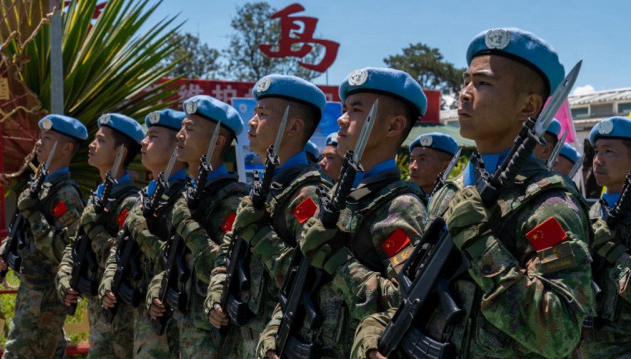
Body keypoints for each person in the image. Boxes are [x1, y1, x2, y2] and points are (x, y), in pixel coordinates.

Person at [352, 28, 595, 359]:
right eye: (466, 81)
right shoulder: (448, 192)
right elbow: (409, 291)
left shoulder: (549, 203)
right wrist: (371, 339)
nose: (465, 94)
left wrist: (481, 242)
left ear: (529, 105)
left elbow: (559, 334)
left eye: (483, 83)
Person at [256, 67, 429, 358]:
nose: (341, 118)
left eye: (356, 110)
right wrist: (273, 335)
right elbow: (299, 280)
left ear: (393, 126)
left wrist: (339, 262)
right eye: (345, 108)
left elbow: (407, 302)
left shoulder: (399, 206)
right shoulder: (342, 195)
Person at [205, 74, 332, 358]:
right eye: (254, 112)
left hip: (279, 343)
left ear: (295, 127)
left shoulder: (308, 193)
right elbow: (226, 256)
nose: (251, 121)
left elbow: (312, 276)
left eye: (262, 114)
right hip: (242, 340)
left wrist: (260, 233)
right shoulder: (261, 189)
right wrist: (216, 296)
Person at [145, 95, 248, 358]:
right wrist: (158, 287)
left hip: (214, 337)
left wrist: (187, 224)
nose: (180, 136)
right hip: (180, 329)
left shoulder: (232, 200)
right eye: (181, 128)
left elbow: (222, 265)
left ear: (218, 142)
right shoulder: (188, 195)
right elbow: (173, 256)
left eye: (189, 129)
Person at [0, 114, 87, 358]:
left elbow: (67, 249)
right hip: (31, 292)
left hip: (45, 294)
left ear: (66, 148)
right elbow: (19, 231)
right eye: (40, 137)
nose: (39, 143)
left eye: (47, 138)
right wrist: (3, 252)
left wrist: (34, 215)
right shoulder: (39, 184)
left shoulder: (65, 194)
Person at [100, 109, 187, 358]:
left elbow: (175, 259)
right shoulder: (145, 198)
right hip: (142, 322)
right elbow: (119, 248)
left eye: (154, 136)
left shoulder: (184, 200)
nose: (143, 143)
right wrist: (108, 283)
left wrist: (140, 229)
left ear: (176, 147)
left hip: (171, 324)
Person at [56, 113, 144, 358]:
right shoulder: (97, 198)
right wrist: (65, 279)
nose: (92, 145)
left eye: (102, 140)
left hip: (120, 317)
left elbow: (122, 261)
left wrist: (95, 229)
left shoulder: (128, 203)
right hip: (99, 314)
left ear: (121, 152)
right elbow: (73, 246)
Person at [580, 116, 631, 358]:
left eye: (609, 152)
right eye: (596, 151)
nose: (597, 160)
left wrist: (614, 252)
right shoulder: (589, 213)